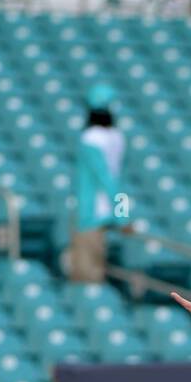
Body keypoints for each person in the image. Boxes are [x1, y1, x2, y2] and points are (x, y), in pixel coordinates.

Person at [69, 83, 131, 284]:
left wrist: (122, 217)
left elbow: (106, 179)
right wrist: (121, 215)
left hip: (90, 217)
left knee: (86, 279)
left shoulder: (91, 138)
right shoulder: (117, 137)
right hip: (106, 215)